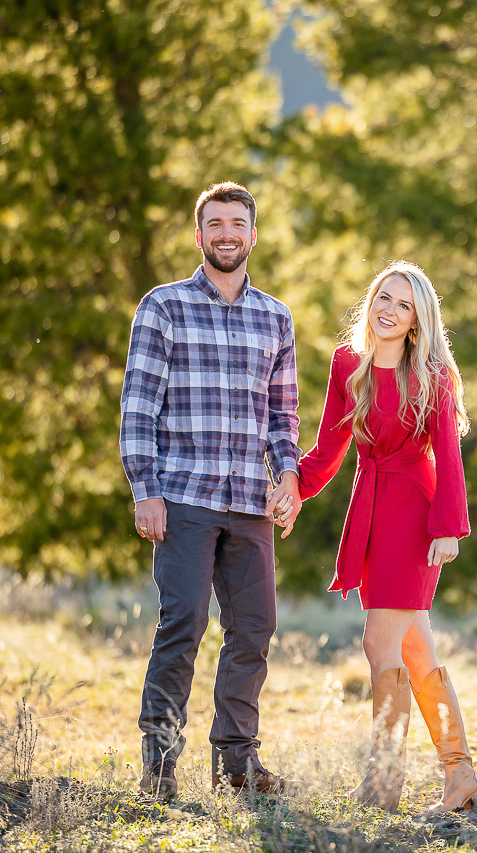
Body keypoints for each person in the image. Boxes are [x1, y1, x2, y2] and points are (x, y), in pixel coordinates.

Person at [119, 181, 303, 801]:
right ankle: (160, 769)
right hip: (184, 498)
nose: (227, 234)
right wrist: (145, 489)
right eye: (215, 225)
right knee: (185, 623)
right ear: (199, 236)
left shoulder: (275, 317)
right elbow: (138, 408)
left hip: (251, 501)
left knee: (254, 626)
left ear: (253, 234)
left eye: (237, 224)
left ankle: (237, 765)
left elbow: (283, 417)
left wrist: (291, 477)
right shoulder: (163, 307)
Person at [274, 260, 477, 814]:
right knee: (415, 648)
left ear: (417, 321)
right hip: (370, 505)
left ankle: (384, 784)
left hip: (415, 510)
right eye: (383, 298)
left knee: (378, 644)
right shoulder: (347, 364)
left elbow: (449, 456)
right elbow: (328, 449)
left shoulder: (433, 375)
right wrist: (294, 489)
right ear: (371, 301)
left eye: (403, 305)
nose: (389, 310)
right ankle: (459, 778)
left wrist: (448, 528)